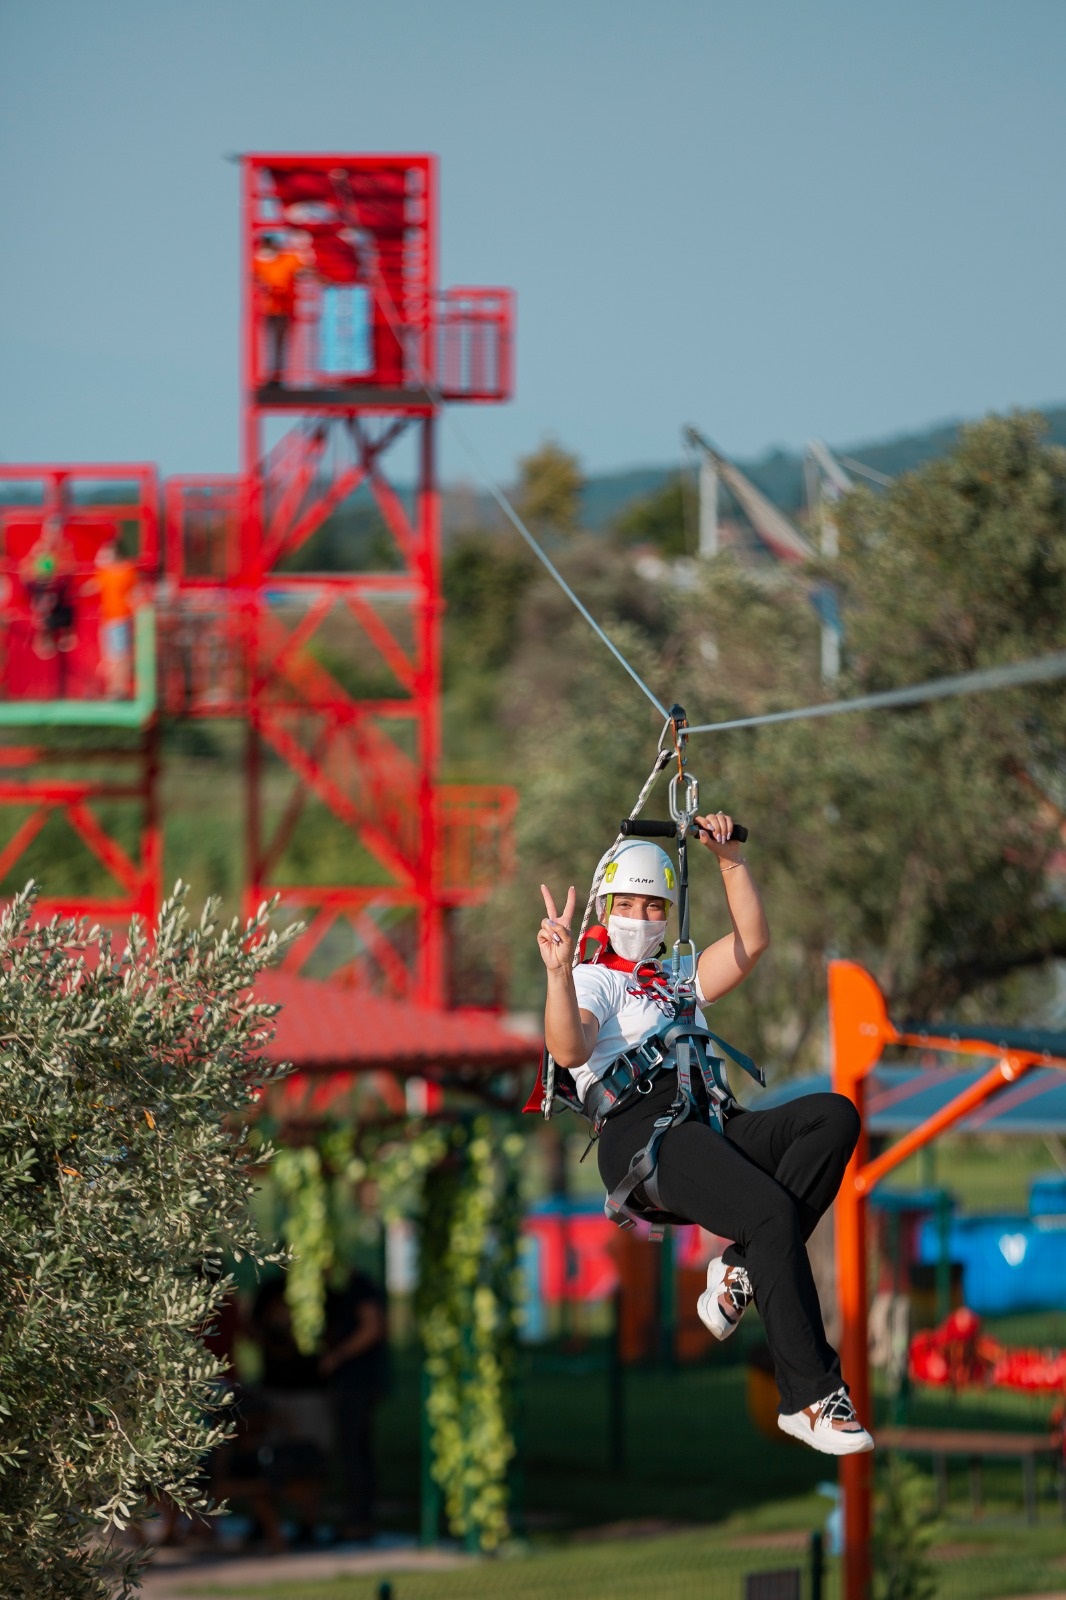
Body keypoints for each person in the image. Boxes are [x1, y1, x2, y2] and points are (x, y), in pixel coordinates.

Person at [537, 816, 874, 1456]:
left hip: (707, 1123)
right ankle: (808, 1395)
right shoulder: (594, 979)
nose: (641, 915)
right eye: (628, 904)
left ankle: (742, 1271)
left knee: (832, 1118)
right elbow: (568, 1043)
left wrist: (727, 860)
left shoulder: (673, 982)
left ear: (667, 912)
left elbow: (751, 941)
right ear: (607, 908)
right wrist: (556, 972)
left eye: (653, 905)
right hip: (642, 1137)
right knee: (769, 1212)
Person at [320, 1269, 388, 1542]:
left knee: (355, 1453)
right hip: (347, 1384)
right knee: (352, 1452)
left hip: (358, 1384)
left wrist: (338, 1356)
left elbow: (374, 1326)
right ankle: (356, 1519)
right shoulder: (335, 1291)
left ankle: (360, 1521)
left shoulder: (359, 1286)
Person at [253, 232, 310, 385]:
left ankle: (277, 374)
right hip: (266, 309)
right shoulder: (256, 262)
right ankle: (271, 373)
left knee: (280, 341)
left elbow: (305, 270)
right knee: (266, 343)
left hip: (284, 309)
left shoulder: (288, 258)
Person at [87, 540, 139, 698]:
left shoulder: (126, 571)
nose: (101, 557)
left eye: (105, 553)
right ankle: (113, 688)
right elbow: (91, 587)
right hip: (108, 620)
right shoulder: (104, 573)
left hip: (120, 619)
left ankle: (119, 689)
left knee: (119, 656)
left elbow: (135, 593)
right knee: (110, 656)